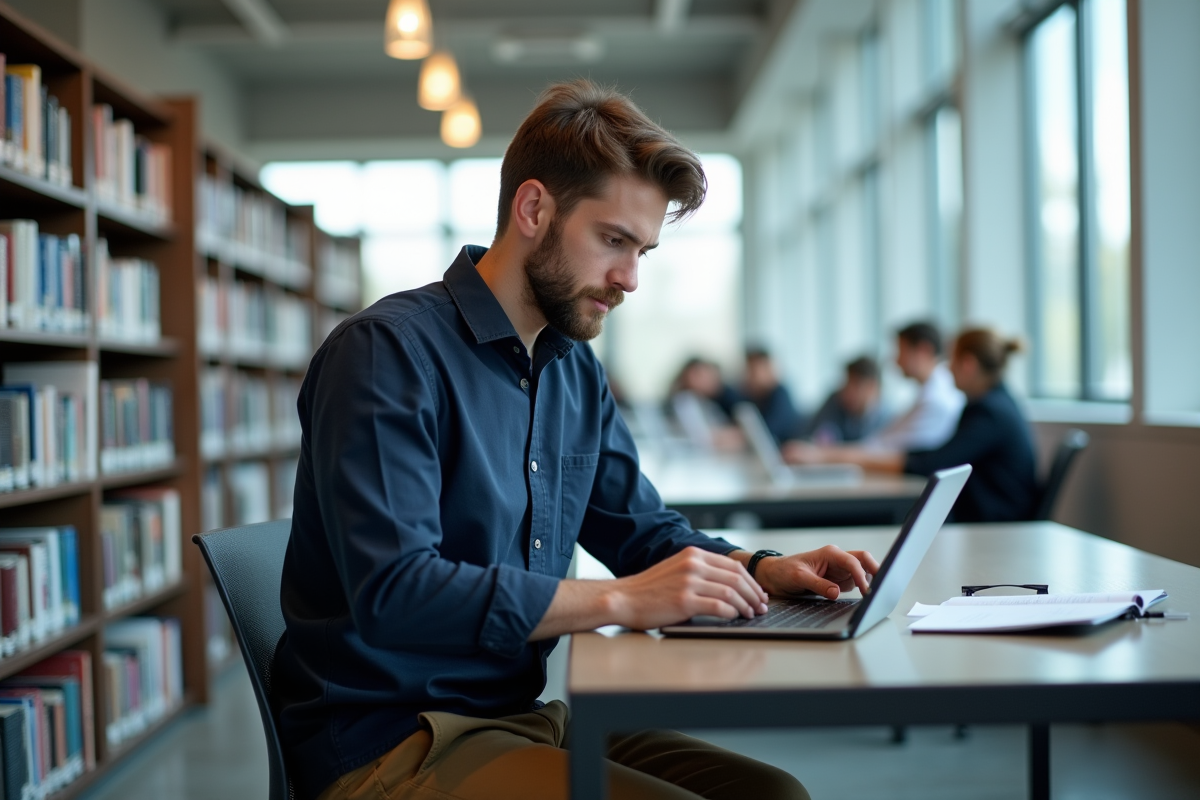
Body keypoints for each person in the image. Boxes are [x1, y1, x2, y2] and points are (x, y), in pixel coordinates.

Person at [273, 80, 879, 800]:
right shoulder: (385, 354)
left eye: (642, 252)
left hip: (516, 716)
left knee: (774, 794)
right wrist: (619, 601)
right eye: (613, 240)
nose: (627, 279)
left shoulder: (573, 371)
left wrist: (755, 566)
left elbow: (640, 530)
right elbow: (398, 592)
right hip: (394, 740)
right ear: (534, 209)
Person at [787, 328, 1038, 523]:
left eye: (952, 360)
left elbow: (934, 463)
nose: (947, 368)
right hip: (984, 513)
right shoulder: (997, 404)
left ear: (968, 364)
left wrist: (827, 456)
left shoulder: (988, 412)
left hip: (990, 521)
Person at [862, 321, 964, 451]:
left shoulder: (938, 399)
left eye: (901, 351)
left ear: (923, 350)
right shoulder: (931, 392)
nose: (896, 360)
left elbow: (890, 446)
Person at [801, 355, 884, 444]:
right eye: (847, 383)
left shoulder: (887, 418)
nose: (847, 391)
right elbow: (811, 438)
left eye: (855, 386)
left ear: (872, 388)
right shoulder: (836, 401)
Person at [741, 346, 804, 445]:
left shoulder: (780, 394)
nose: (749, 376)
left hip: (787, 453)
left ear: (768, 368)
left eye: (754, 371)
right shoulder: (755, 395)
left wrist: (740, 436)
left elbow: (769, 432)